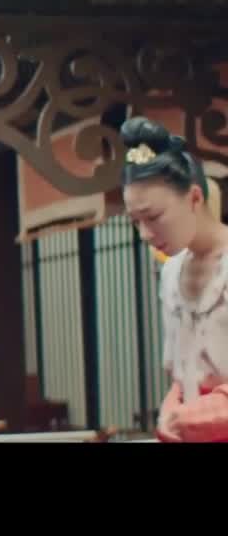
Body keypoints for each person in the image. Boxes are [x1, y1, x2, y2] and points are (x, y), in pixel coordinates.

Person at [120, 116, 228, 442]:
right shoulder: (170, 272)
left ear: (194, 198)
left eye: (153, 217)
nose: (145, 234)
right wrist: (170, 408)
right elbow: (183, 375)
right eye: (135, 221)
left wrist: (206, 413)